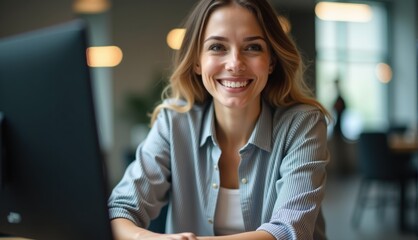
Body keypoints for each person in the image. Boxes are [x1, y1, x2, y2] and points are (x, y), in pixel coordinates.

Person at [108, 0, 330, 239]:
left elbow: (289, 232)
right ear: (196, 61)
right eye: (217, 47)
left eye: (253, 47)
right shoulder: (174, 122)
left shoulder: (303, 124)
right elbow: (119, 210)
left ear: (271, 62)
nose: (235, 63)